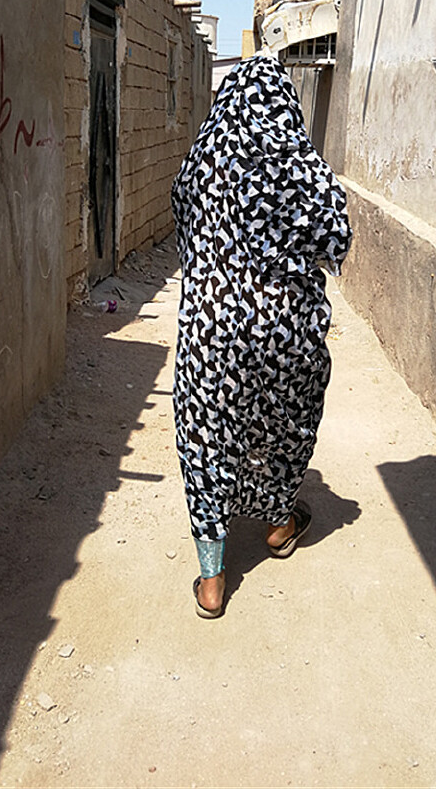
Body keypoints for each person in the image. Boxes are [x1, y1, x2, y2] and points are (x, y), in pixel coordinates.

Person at [171, 53, 352, 617]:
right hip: (284, 330)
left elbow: (184, 230)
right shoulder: (300, 165)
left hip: (210, 329)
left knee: (206, 435)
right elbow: (336, 238)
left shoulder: (200, 163)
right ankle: (278, 524)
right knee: (283, 423)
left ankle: (211, 580)